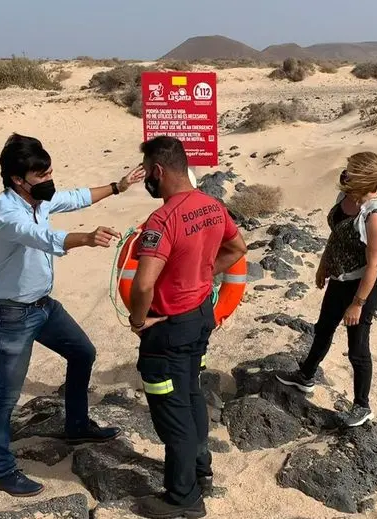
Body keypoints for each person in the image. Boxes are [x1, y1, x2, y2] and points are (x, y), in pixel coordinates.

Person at [0, 133, 146, 497]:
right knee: (4, 397)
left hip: (42, 306)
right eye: (42, 176)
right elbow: (39, 237)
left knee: (83, 352)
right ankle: (2, 471)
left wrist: (119, 186)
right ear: (17, 180)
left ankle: (75, 424)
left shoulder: (38, 199)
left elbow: (74, 197)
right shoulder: (5, 212)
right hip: (10, 316)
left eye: (50, 172)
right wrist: (85, 239)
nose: (49, 181)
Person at [127, 136, 247, 519]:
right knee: (192, 393)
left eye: (147, 172)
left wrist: (137, 319)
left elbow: (143, 283)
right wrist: (202, 275)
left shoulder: (161, 220)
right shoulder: (211, 205)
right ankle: (200, 471)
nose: (147, 178)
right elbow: (238, 248)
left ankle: (183, 498)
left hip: (168, 329)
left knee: (171, 407)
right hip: (200, 318)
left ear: (158, 171)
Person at [276, 151, 377, 428]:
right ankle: (306, 376)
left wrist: (358, 303)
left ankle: (362, 406)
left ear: (363, 178)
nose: (345, 174)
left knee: (357, 349)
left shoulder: (375, 216)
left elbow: (374, 265)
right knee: (323, 330)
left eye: (351, 171)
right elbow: (336, 235)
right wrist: (323, 266)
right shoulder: (346, 199)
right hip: (339, 281)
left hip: (361, 287)